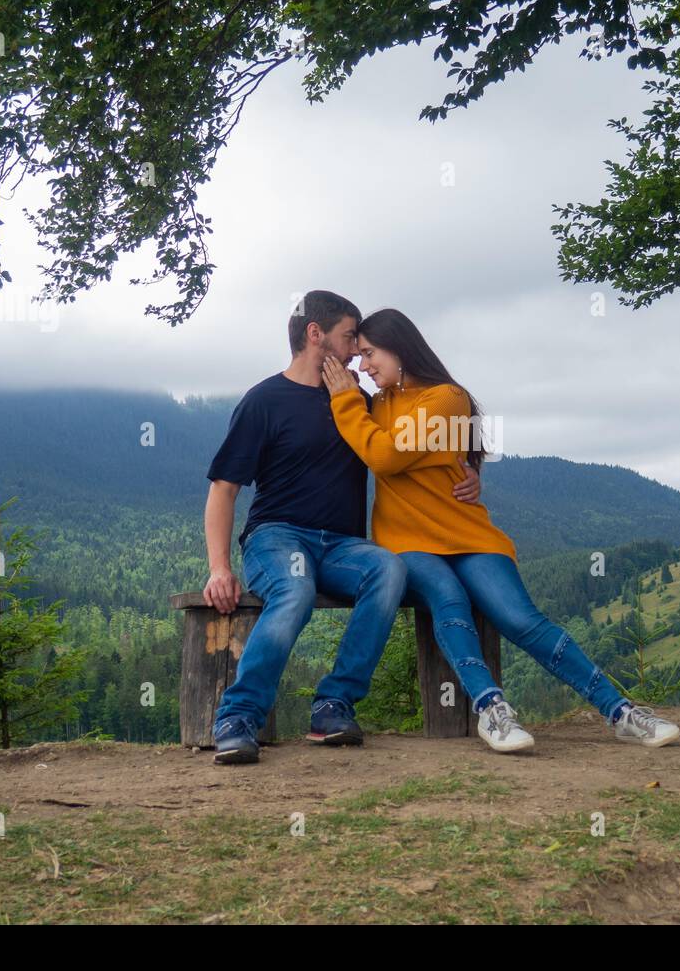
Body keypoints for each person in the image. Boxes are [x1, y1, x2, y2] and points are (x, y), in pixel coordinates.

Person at [321, 308, 680, 753]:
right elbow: (412, 457)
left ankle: (619, 711)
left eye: (371, 353)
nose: (363, 365)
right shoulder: (376, 402)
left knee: (520, 619)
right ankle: (493, 710)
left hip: (468, 535)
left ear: (401, 347)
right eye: (359, 356)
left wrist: (346, 402)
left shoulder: (446, 397)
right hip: (407, 542)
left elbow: (387, 456)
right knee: (447, 599)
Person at [202, 291, 481, 764]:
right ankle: (238, 716)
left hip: (343, 546)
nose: (356, 350)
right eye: (350, 336)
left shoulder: (361, 401)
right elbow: (223, 490)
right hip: (278, 536)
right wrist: (218, 568)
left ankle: (334, 705)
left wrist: (470, 470)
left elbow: (420, 440)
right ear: (316, 335)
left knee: (389, 570)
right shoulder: (264, 401)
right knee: (295, 591)